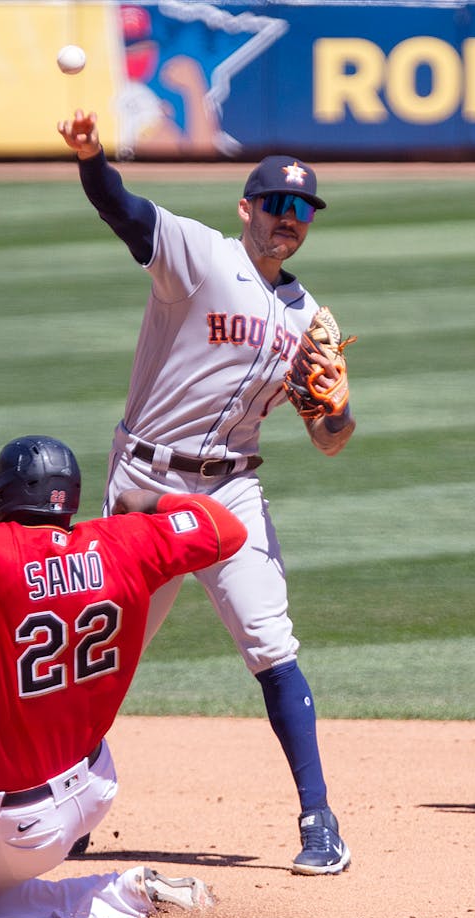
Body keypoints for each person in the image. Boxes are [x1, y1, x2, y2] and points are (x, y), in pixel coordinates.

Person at [55, 109, 354, 873]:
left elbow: (329, 439)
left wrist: (340, 408)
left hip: (233, 495)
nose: (289, 221)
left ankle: (320, 820)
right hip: (147, 486)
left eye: (303, 212)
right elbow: (121, 209)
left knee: (272, 645)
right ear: (246, 208)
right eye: (277, 206)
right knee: (109, 652)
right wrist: (91, 157)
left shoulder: (306, 315)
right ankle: (68, 797)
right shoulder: (198, 255)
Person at [0, 435, 247, 918]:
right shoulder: (126, 541)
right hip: (92, 782)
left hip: (16, 821)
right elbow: (225, 527)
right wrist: (150, 501)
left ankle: (121, 894)